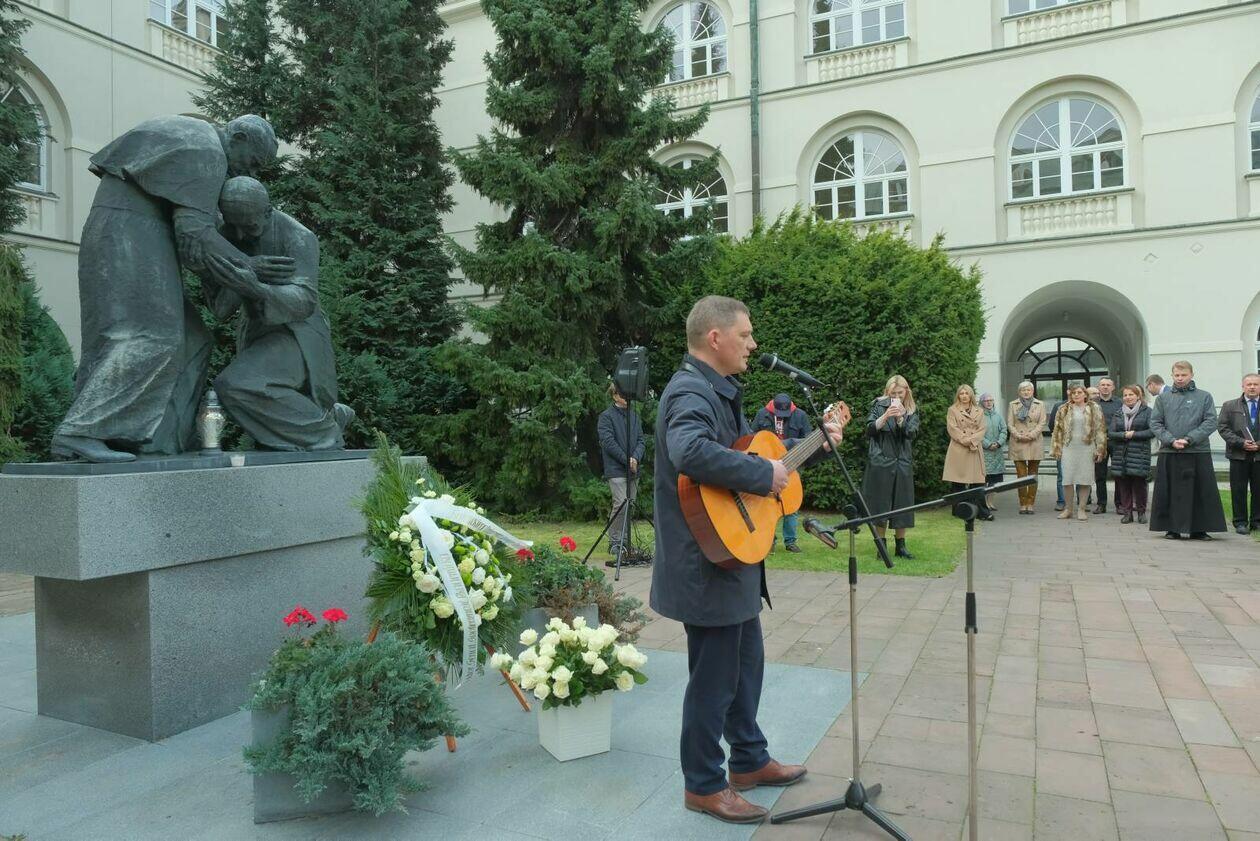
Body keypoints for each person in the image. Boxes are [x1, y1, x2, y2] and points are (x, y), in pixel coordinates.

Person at [650, 296, 843, 825]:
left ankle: (749, 759)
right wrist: (762, 475)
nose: (753, 344)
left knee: (746, 666)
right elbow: (690, 450)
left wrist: (813, 447)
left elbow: (750, 457)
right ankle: (703, 785)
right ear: (715, 338)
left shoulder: (717, 389)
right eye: (746, 335)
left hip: (730, 561)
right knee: (713, 680)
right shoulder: (690, 390)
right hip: (705, 564)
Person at [51, 114, 287, 463]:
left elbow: (194, 240)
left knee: (194, 339)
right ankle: (81, 431)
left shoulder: (194, 135)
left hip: (134, 231)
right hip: (131, 234)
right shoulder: (209, 151)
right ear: (238, 137)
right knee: (153, 336)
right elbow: (194, 233)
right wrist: (248, 264)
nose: (250, 173)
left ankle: (161, 438)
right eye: (252, 162)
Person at [200, 177, 352, 451]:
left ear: (268, 212)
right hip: (256, 333)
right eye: (233, 225)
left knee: (236, 384)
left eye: (250, 227)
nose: (240, 236)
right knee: (240, 388)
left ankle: (326, 431)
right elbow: (220, 309)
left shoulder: (298, 237)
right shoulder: (228, 235)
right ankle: (324, 420)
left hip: (298, 333)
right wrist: (239, 267)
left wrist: (255, 288)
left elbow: (304, 300)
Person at [1149, 361, 1227, 540]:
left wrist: (1189, 439)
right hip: (1170, 451)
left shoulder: (1204, 396)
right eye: (1177, 375)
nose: (1180, 378)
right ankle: (1172, 528)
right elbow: (1155, 423)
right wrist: (1171, 440)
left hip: (1197, 450)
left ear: (1191, 375)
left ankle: (1199, 529)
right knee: (1171, 491)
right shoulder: (1163, 399)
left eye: (1183, 375)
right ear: (1172, 375)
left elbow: (1210, 421)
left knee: (1200, 491)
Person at [860, 375, 919, 559]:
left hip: (902, 461)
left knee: (903, 503)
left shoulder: (912, 410)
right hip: (881, 461)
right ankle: (881, 545)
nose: (897, 397)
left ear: (906, 391)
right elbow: (869, 429)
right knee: (881, 504)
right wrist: (886, 416)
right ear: (888, 392)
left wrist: (901, 418)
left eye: (900, 393)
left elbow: (911, 433)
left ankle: (901, 546)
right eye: (893, 394)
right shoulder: (878, 405)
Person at [753, 393, 811, 553]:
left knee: (791, 504)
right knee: (766, 505)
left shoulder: (800, 415)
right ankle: (769, 540)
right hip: (767, 465)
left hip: (792, 465)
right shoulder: (762, 414)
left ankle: (790, 542)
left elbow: (808, 439)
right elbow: (752, 436)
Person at [598, 382, 646, 559]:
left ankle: (626, 543)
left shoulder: (634, 415)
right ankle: (616, 543)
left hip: (633, 468)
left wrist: (635, 458)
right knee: (621, 504)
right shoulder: (606, 417)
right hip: (616, 469)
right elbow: (608, 442)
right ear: (614, 396)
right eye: (623, 394)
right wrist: (627, 460)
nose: (627, 397)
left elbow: (641, 440)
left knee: (630, 505)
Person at [1051, 385, 1106, 521]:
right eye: (1074, 392)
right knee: (1067, 479)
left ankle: (1081, 509)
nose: (1076, 394)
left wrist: (1100, 449)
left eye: (1079, 392)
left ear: (1085, 394)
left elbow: (1100, 429)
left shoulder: (1094, 408)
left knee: (1084, 479)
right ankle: (1068, 509)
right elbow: (1057, 430)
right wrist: (1057, 448)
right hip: (1068, 447)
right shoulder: (1063, 408)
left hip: (1087, 447)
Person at [1217, 373, 1260, 535]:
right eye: (1249, 384)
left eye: (1255, 384)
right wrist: (1241, 443)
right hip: (1238, 455)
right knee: (1238, 490)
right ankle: (1240, 522)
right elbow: (1223, 428)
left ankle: (1257, 522)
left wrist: (1258, 445)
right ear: (1243, 386)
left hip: (1259, 455)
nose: (1252, 387)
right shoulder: (1229, 406)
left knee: (1258, 490)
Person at [943, 384, 993, 520]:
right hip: (959, 448)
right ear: (958, 395)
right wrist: (966, 440)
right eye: (962, 393)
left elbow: (982, 429)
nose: (964, 396)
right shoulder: (952, 410)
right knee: (958, 482)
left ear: (971, 395)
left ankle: (982, 512)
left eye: (967, 393)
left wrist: (973, 441)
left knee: (978, 482)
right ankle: (958, 511)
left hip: (974, 449)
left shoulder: (979, 411)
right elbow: (952, 429)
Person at [1109, 384, 1153, 524]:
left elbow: (1152, 431)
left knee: (1140, 485)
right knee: (1124, 485)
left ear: (1138, 396)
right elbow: (1111, 433)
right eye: (1125, 395)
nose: (1128, 397)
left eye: (1131, 395)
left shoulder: (1147, 412)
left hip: (1139, 453)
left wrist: (1134, 434)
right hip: (1120, 454)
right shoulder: (1118, 413)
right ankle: (1127, 513)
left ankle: (1141, 512)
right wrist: (1123, 435)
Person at [1007, 381, 1046, 514]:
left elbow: (1042, 422)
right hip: (1018, 442)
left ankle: (1030, 503)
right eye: (1023, 390)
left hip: (1034, 442)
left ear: (1032, 391)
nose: (1026, 392)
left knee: (1033, 474)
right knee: (1021, 475)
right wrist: (1018, 435)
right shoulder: (1012, 404)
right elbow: (1010, 424)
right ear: (1019, 392)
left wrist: (1032, 435)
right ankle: (1023, 503)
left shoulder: (1040, 404)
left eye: (1028, 390)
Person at [1094, 378, 1123, 514]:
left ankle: (1120, 504)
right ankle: (1101, 504)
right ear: (1098, 387)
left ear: (1113, 387)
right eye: (1103, 385)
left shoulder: (1120, 403)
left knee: (1118, 474)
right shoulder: (1092, 403)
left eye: (1108, 385)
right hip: (1099, 443)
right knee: (1100, 475)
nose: (1105, 387)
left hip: (1116, 442)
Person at [980, 393, 1008, 512]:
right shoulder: (979, 416)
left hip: (997, 453)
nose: (989, 402)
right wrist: (988, 444)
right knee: (984, 481)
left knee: (994, 481)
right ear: (982, 402)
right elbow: (977, 433)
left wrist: (999, 443)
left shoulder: (998, 416)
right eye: (986, 400)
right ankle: (984, 503)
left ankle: (991, 502)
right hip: (984, 453)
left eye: (991, 400)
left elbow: (1004, 430)